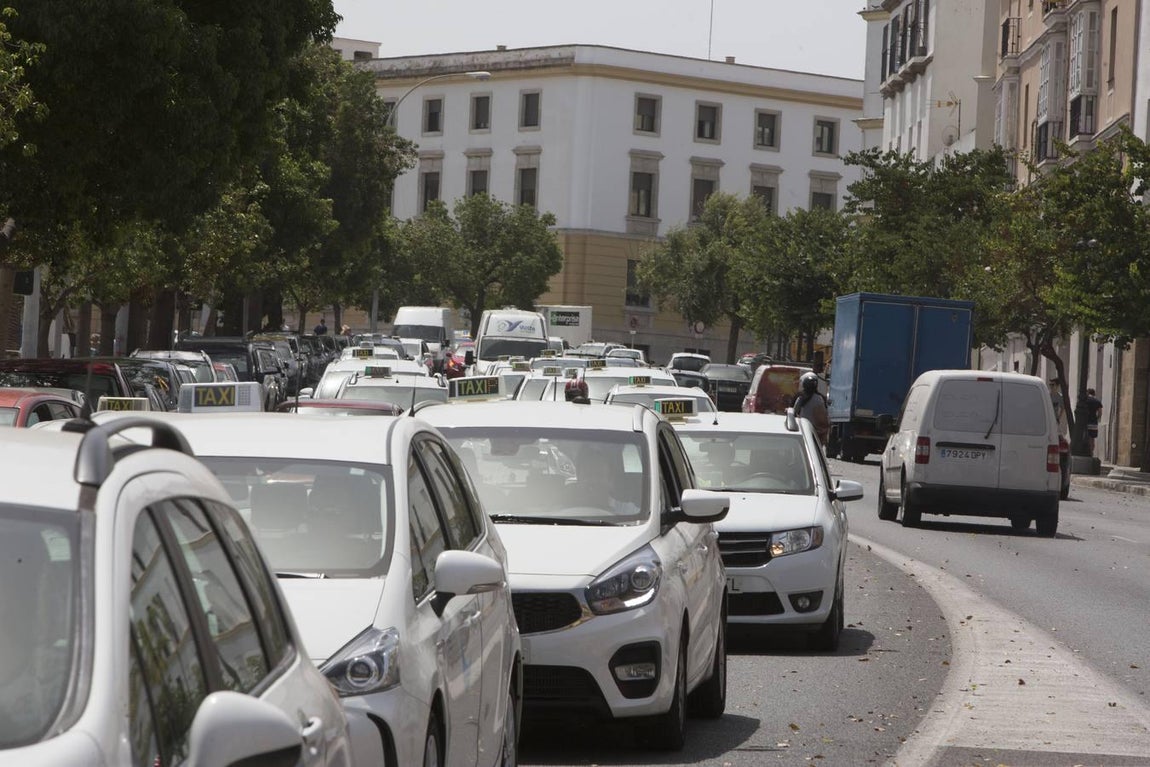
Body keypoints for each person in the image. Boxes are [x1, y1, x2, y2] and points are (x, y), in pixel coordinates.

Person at [793, 371, 830, 447]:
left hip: (804, 430)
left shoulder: (800, 397)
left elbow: (794, 412)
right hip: (815, 432)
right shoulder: (820, 398)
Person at [1084, 387, 1103, 456]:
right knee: (1092, 439)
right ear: (1094, 394)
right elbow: (1100, 413)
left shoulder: (1085, 401)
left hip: (1086, 422)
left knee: (1086, 438)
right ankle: (1091, 453)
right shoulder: (1097, 401)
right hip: (1093, 423)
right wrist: (1096, 418)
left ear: (1088, 393)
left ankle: (1087, 452)